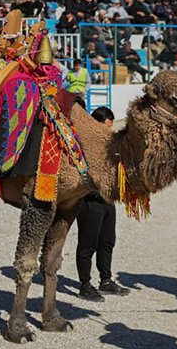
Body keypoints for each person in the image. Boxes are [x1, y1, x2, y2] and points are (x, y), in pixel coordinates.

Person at [76, 107, 130, 301]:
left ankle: (105, 281)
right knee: (87, 244)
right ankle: (85, 285)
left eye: (110, 127)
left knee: (107, 241)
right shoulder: (83, 144)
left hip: (107, 200)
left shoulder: (110, 145)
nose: (108, 131)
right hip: (89, 200)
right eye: (105, 127)